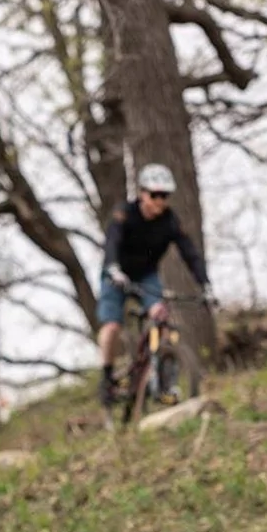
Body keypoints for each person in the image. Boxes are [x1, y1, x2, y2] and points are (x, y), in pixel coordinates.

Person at [97, 163, 212, 408]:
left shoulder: (169, 221)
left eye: (165, 196)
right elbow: (112, 242)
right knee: (112, 326)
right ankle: (106, 377)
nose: (160, 201)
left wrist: (206, 284)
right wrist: (113, 268)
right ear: (142, 193)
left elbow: (189, 253)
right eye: (155, 195)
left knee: (161, 318)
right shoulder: (124, 213)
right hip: (116, 274)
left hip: (146, 275)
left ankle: (165, 384)